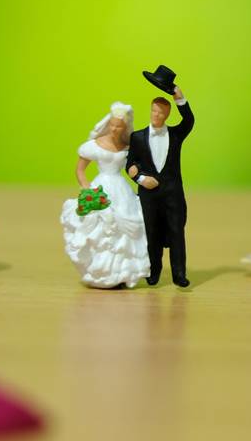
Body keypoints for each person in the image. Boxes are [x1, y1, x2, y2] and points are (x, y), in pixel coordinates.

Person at [59, 102, 148, 289]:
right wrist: (87, 188)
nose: (115, 129)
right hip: (101, 187)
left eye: (119, 126)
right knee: (99, 227)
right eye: (113, 125)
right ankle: (98, 269)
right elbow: (80, 170)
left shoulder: (127, 147)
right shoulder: (94, 145)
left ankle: (121, 272)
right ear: (108, 124)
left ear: (125, 127)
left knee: (124, 228)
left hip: (121, 189)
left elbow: (133, 168)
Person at [127, 86, 195, 287]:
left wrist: (179, 97)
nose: (157, 115)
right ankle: (153, 270)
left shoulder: (175, 134)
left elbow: (189, 121)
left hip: (173, 193)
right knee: (152, 232)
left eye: (161, 112)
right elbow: (130, 164)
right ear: (150, 111)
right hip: (149, 195)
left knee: (177, 232)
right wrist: (140, 178)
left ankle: (179, 274)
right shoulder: (137, 137)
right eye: (154, 111)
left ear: (167, 115)